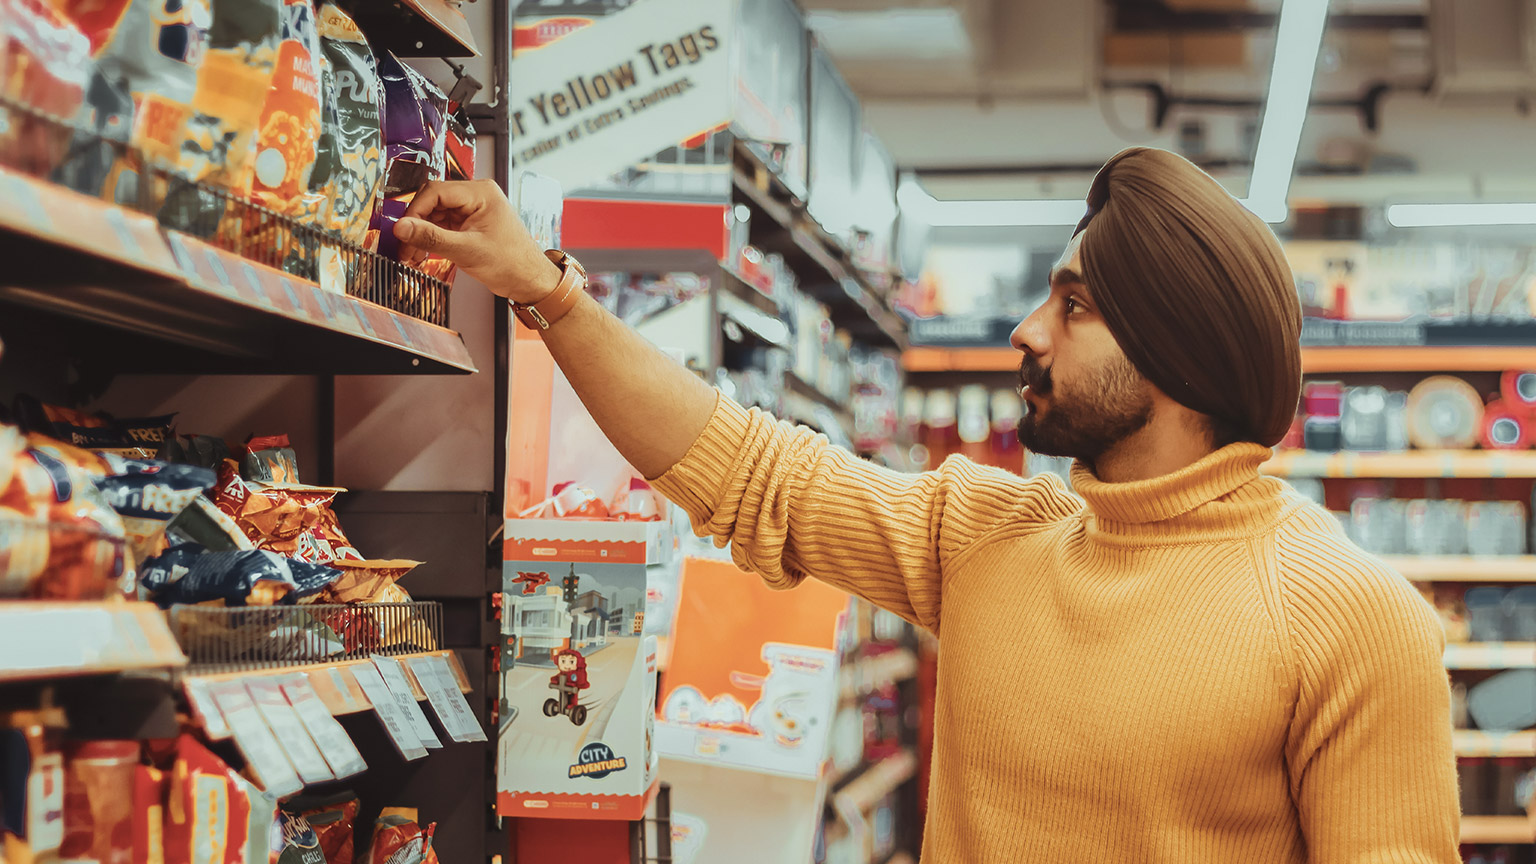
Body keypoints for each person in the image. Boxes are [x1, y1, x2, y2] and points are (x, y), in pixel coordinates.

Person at [393, 148, 1458, 863]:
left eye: (1074, 305)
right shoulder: (988, 535)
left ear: (1174, 349)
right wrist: (546, 289)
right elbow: (743, 466)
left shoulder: (1352, 618)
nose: (1026, 332)